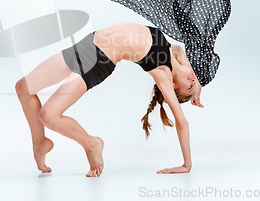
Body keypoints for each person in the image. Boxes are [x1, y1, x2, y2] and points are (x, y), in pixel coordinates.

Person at [15, 22, 203, 177]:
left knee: (48, 115)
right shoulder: (176, 53)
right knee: (23, 88)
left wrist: (187, 164)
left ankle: (91, 144)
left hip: (98, 60)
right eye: (194, 82)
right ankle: (40, 142)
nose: (192, 81)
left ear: (173, 87)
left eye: (189, 87)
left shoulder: (163, 74)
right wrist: (196, 91)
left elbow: (181, 122)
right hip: (87, 43)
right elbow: (192, 75)